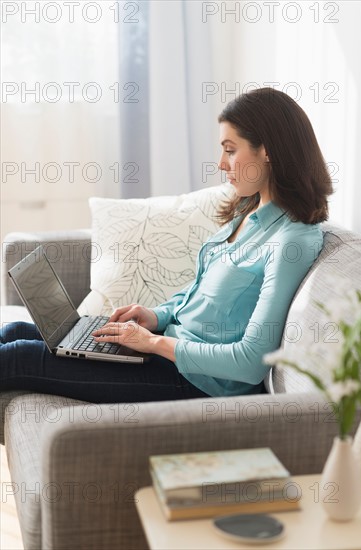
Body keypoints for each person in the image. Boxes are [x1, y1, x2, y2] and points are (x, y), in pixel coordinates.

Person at [0, 88, 333, 403]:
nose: (220, 163)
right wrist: (155, 317)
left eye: (230, 150)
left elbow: (249, 362)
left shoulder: (292, 240)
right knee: (14, 329)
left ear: (268, 151)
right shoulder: (249, 211)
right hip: (167, 352)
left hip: (195, 381)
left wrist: (153, 343)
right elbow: (199, 298)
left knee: (19, 358)